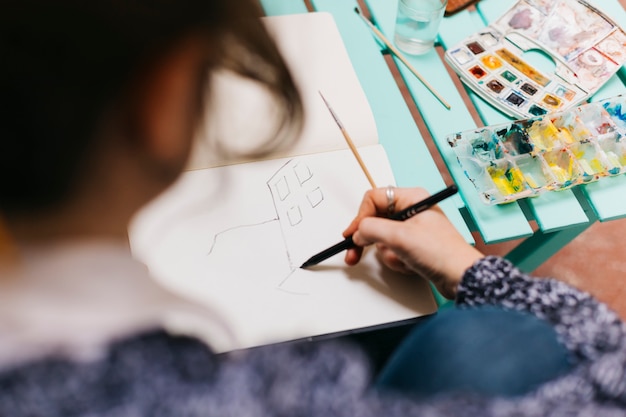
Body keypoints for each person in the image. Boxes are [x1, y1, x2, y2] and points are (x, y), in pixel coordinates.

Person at [1, 1, 625, 415]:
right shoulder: (268, 392)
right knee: (509, 341)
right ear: (160, 98)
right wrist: (469, 267)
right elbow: (609, 379)